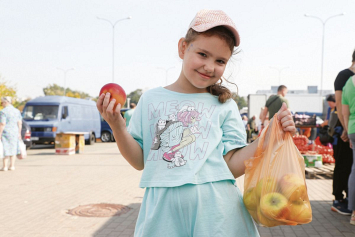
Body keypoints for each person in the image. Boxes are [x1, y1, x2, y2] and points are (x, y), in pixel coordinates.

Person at [97, 10, 296, 236]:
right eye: (203, 54)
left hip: (218, 213)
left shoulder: (225, 105)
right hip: (163, 213)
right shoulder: (151, 99)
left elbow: (232, 166)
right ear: (183, 47)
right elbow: (139, 161)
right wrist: (117, 126)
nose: (210, 66)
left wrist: (268, 137)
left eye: (220, 61)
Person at [331, 49, 355, 215]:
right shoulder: (344, 75)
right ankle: (338, 199)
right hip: (343, 127)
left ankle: (349, 197)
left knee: (351, 165)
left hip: (349, 126)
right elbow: (339, 103)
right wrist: (345, 129)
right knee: (342, 163)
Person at [342, 75, 355, 225]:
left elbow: (345, 113)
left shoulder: (348, 83)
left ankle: (354, 213)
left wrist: (347, 131)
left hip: (352, 128)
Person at [0, 97, 22, 171]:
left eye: (2, 103)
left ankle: (5, 166)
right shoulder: (17, 111)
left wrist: (0, 133)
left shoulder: (3, 111)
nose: (2, 104)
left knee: (5, 148)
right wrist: (19, 132)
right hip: (14, 132)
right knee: (13, 148)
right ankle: (12, 166)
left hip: (5, 132)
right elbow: (19, 123)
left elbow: (2, 123)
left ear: (6, 102)